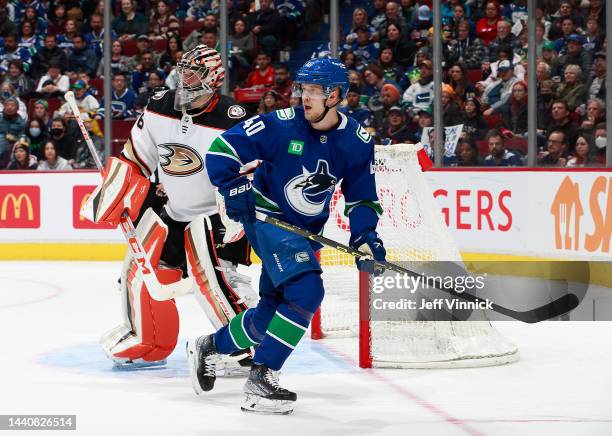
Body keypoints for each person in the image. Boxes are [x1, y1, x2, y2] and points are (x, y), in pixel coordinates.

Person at [189, 58, 388, 415]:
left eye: (315, 90)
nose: (304, 97)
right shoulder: (278, 125)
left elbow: (362, 198)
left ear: (336, 95)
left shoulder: (356, 141)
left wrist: (364, 236)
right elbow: (221, 151)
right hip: (267, 218)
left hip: (305, 231)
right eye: (303, 89)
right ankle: (261, 378)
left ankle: (209, 346)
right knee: (307, 291)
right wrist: (234, 187)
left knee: (270, 312)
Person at [81, 45, 257, 372]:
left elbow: (252, 171)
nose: (185, 76)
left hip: (217, 216)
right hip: (174, 211)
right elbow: (136, 158)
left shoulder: (235, 119)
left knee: (218, 280)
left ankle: (247, 347)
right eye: (183, 68)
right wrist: (113, 190)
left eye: (195, 71)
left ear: (214, 77)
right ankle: (149, 341)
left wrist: (240, 207)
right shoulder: (160, 106)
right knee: (140, 269)